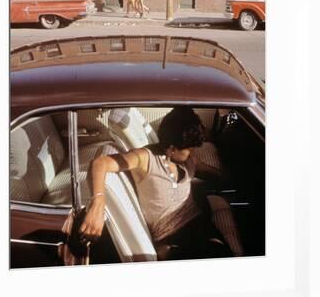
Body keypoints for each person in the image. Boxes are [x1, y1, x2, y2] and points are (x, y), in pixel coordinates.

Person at [80, 107, 232, 260]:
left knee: (222, 253)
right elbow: (100, 163)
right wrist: (97, 203)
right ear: (172, 148)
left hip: (198, 223)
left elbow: (209, 172)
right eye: (190, 150)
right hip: (170, 237)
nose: (193, 154)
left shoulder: (188, 160)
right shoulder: (145, 159)